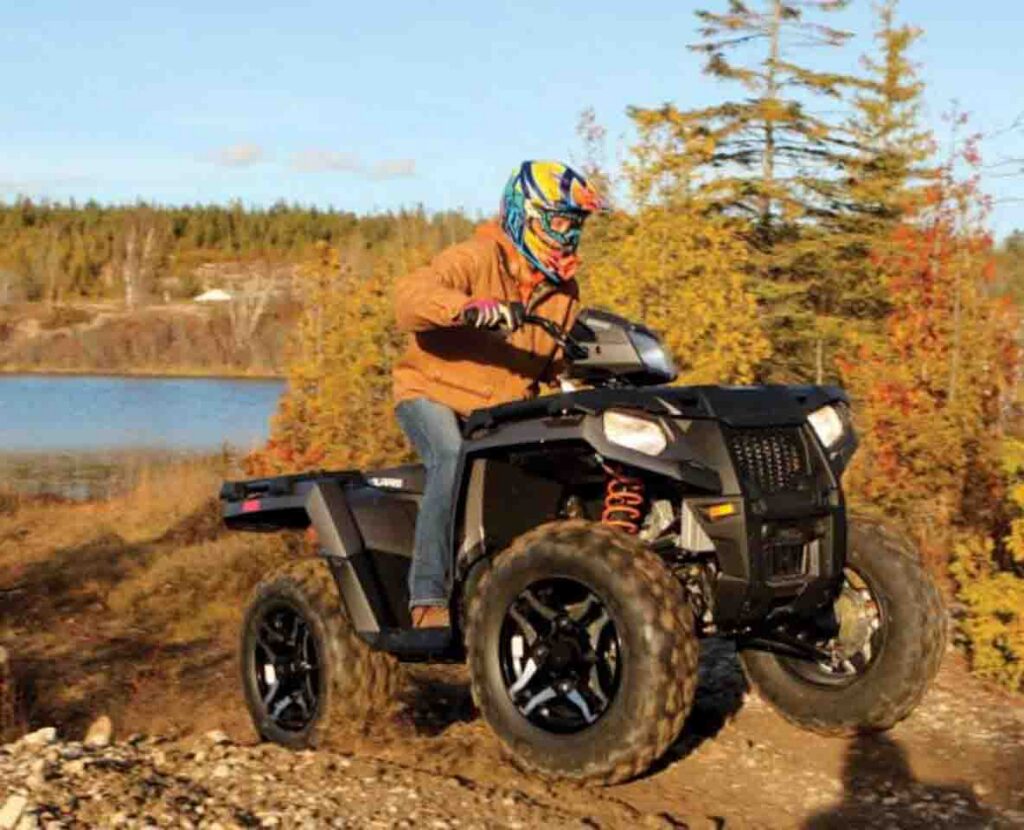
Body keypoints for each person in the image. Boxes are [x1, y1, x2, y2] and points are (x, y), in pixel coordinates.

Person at [392, 160, 603, 628]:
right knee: (451, 456)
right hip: (433, 393)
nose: (569, 235)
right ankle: (427, 597)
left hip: (501, 412)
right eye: (561, 221)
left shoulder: (564, 290)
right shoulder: (476, 256)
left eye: (576, 224)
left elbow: (555, 363)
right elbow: (409, 298)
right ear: (525, 215)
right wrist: (468, 309)